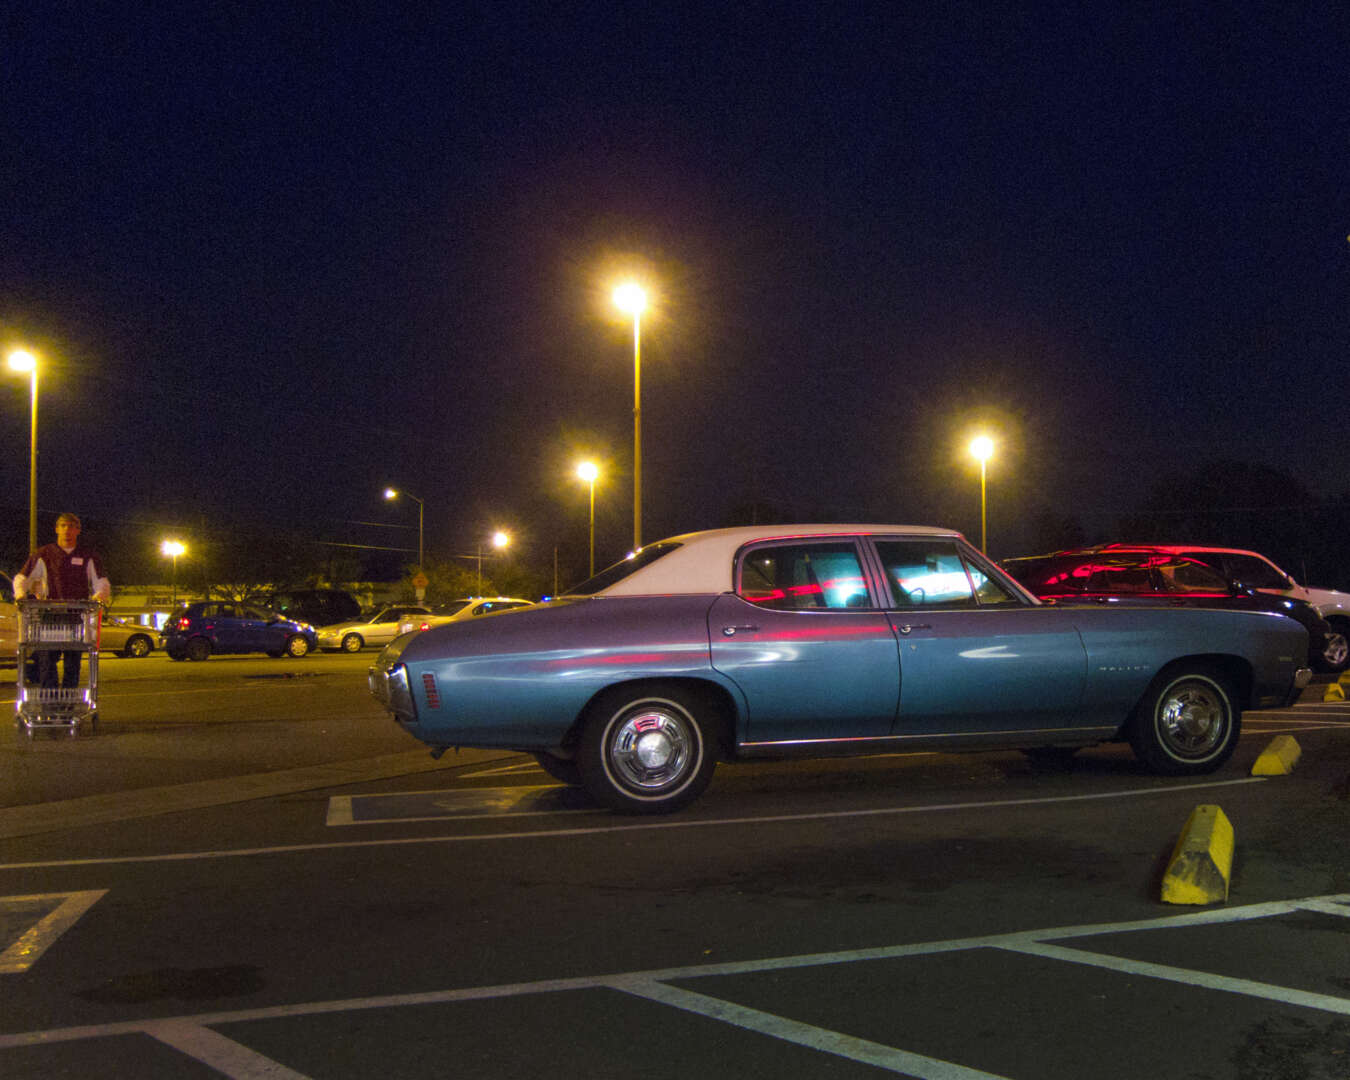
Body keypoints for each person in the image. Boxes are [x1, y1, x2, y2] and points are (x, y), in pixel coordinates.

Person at [15, 512, 111, 689]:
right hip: (49, 616)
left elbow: (101, 583)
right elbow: (23, 578)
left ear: (78, 531)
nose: (67, 530)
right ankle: (50, 700)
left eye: (71, 526)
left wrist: (97, 599)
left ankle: (68, 703)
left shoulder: (88, 556)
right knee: (46, 660)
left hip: (75, 616)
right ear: (56, 529)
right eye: (63, 526)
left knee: (72, 664)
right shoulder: (44, 554)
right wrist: (20, 595)